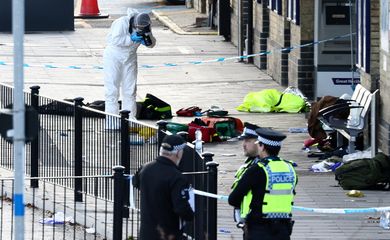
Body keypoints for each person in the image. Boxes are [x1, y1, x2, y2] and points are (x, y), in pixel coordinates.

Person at [228, 127, 297, 240]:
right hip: (283, 230)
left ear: (262, 146)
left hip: (258, 229)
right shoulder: (290, 168)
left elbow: (233, 199)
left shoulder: (257, 169)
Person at [103, 8, 156, 126]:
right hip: (113, 57)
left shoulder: (145, 25)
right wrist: (131, 39)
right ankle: (111, 122)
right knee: (112, 89)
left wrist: (148, 41)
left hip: (130, 58)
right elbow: (114, 40)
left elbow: (152, 42)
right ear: (133, 23)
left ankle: (130, 121)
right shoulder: (121, 23)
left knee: (130, 90)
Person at [135, 134, 194, 240]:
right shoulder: (177, 177)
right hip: (168, 233)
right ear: (178, 153)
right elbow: (181, 208)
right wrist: (191, 215)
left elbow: (135, 183)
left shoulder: (145, 168)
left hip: (146, 233)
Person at [231, 122, 260, 226]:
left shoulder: (259, 167)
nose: (243, 144)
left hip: (257, 222)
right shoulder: (250, 163)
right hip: (249, 221)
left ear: (259, 143)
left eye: (247, 141)